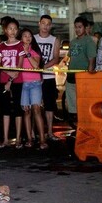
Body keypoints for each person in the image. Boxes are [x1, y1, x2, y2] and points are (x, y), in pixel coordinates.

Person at [0, 17, 23, 148]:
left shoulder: (20, 45)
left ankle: (18, 139)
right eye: (10, 28)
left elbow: (20, 66)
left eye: (15, 29)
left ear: (17, 31)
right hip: (3, 79)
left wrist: (11, 80)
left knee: (18, 109)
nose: (12, 31)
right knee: (5, 110)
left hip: (17, 81)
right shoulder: (1, 45)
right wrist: (8, 75)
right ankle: (5, 139)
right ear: (5, 30)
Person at [17, 28, 47, 150]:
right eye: (25, 36)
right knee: (26, 111)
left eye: (29, 36)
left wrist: (27, 53)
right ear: (21, 38)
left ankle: (42, 139)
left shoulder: (34, 51)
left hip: (35, 83)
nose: (28, 38)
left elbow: (36, 65)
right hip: (23, 84)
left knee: (36, 110)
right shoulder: (18, 52)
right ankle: (29, 139)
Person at [65, 16, 96, 126]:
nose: (77, 29)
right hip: (71, 75)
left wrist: (88, 75)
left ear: (85, 27)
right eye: (76, 27)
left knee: (82, 100)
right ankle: (76, 123)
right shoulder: (73, 42)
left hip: (83, 76)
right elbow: (69, 57)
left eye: (80, 27)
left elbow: (91, 59)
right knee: (72, 100)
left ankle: (84, 123)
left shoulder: (89, 41)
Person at [35, 14, 61, 142]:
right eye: (43, 23)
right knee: (35, 106)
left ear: (51, 26)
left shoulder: (55, 40)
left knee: (49, 106)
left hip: (49, 76)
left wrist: (43, 67)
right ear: (39, 23)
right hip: (34, 77)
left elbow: (56, 58)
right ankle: (37, 132)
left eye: (48, 24)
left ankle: (50, 132)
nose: (45, 26)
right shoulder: (32, 38)